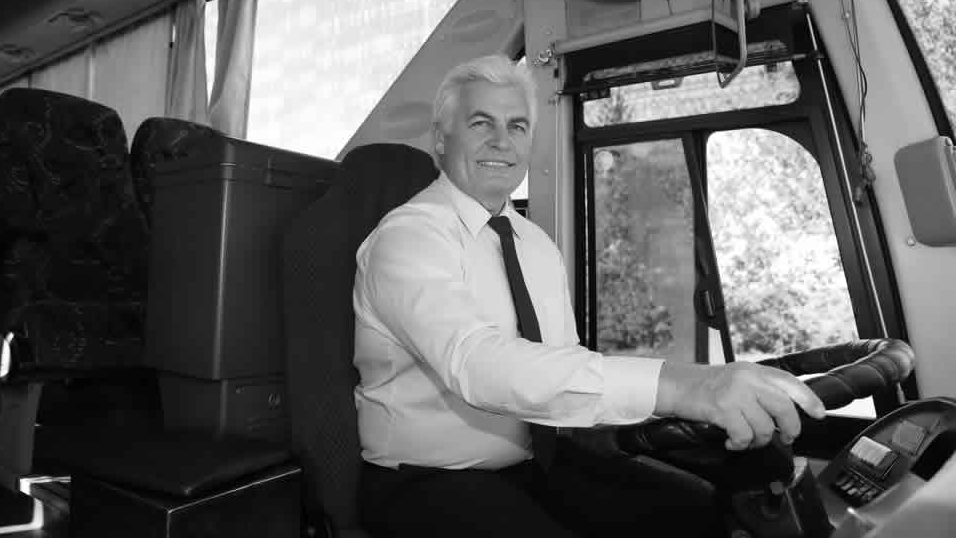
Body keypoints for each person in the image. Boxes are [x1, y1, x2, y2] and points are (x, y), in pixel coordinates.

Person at [353, 54, 825, 537]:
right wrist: (685, 387)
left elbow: (563, 363)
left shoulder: (534, 243)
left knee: (693, 512)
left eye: (517, 126)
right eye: (481, 123)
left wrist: (678, 405)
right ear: (440, 138)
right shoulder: (407, 239)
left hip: (535, 462)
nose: (501, 141)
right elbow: (477, 366)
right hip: (424, 480)